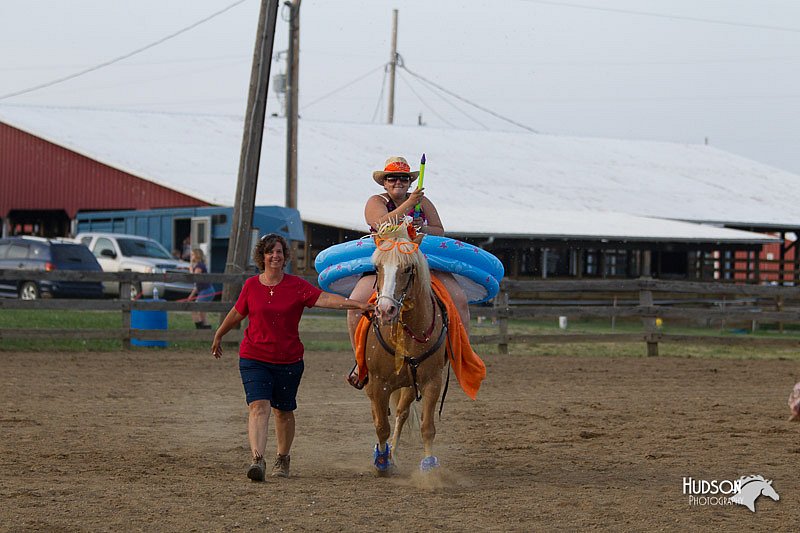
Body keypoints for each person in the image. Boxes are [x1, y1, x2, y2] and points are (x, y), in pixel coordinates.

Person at [211, 233, 373, 482]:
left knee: (283, 411)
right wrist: (219, 334)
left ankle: (282, 457)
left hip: (288, 360)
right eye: (270, 252)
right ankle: (257, 460)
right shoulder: (252, 285)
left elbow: (326, 299)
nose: (275, 256)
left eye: (279, 252)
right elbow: (237, 312)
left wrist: (357, 305)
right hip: (254, 357)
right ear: (262, 257)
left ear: (285, 257)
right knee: (258, 407)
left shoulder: (296, 286)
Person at [345, 156, 471, 388]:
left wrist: (418, 226)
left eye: (403, 178)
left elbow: (439, 230)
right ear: (384, 182)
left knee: (459, 300)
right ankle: (360, 361)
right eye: (392, 178)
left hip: (419, 262)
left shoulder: (423, 202)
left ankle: (457, 353)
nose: (398, 182)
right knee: (355, 304)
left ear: (409, 181)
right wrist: (409, 205)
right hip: (387, 262)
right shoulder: (376, 200)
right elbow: (381, 223)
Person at [187, 248, 214, 329]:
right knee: (201, 312)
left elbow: (195, 278)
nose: (191, 256)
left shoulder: (199, 266)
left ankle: (202, 330)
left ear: (197, 255)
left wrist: (191, 270)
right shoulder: (199, 265)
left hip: (206, 291)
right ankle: (204, 330)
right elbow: (197, 285)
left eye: (192, 254)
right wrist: (191, 296)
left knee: (196, 310)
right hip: (205, 291)